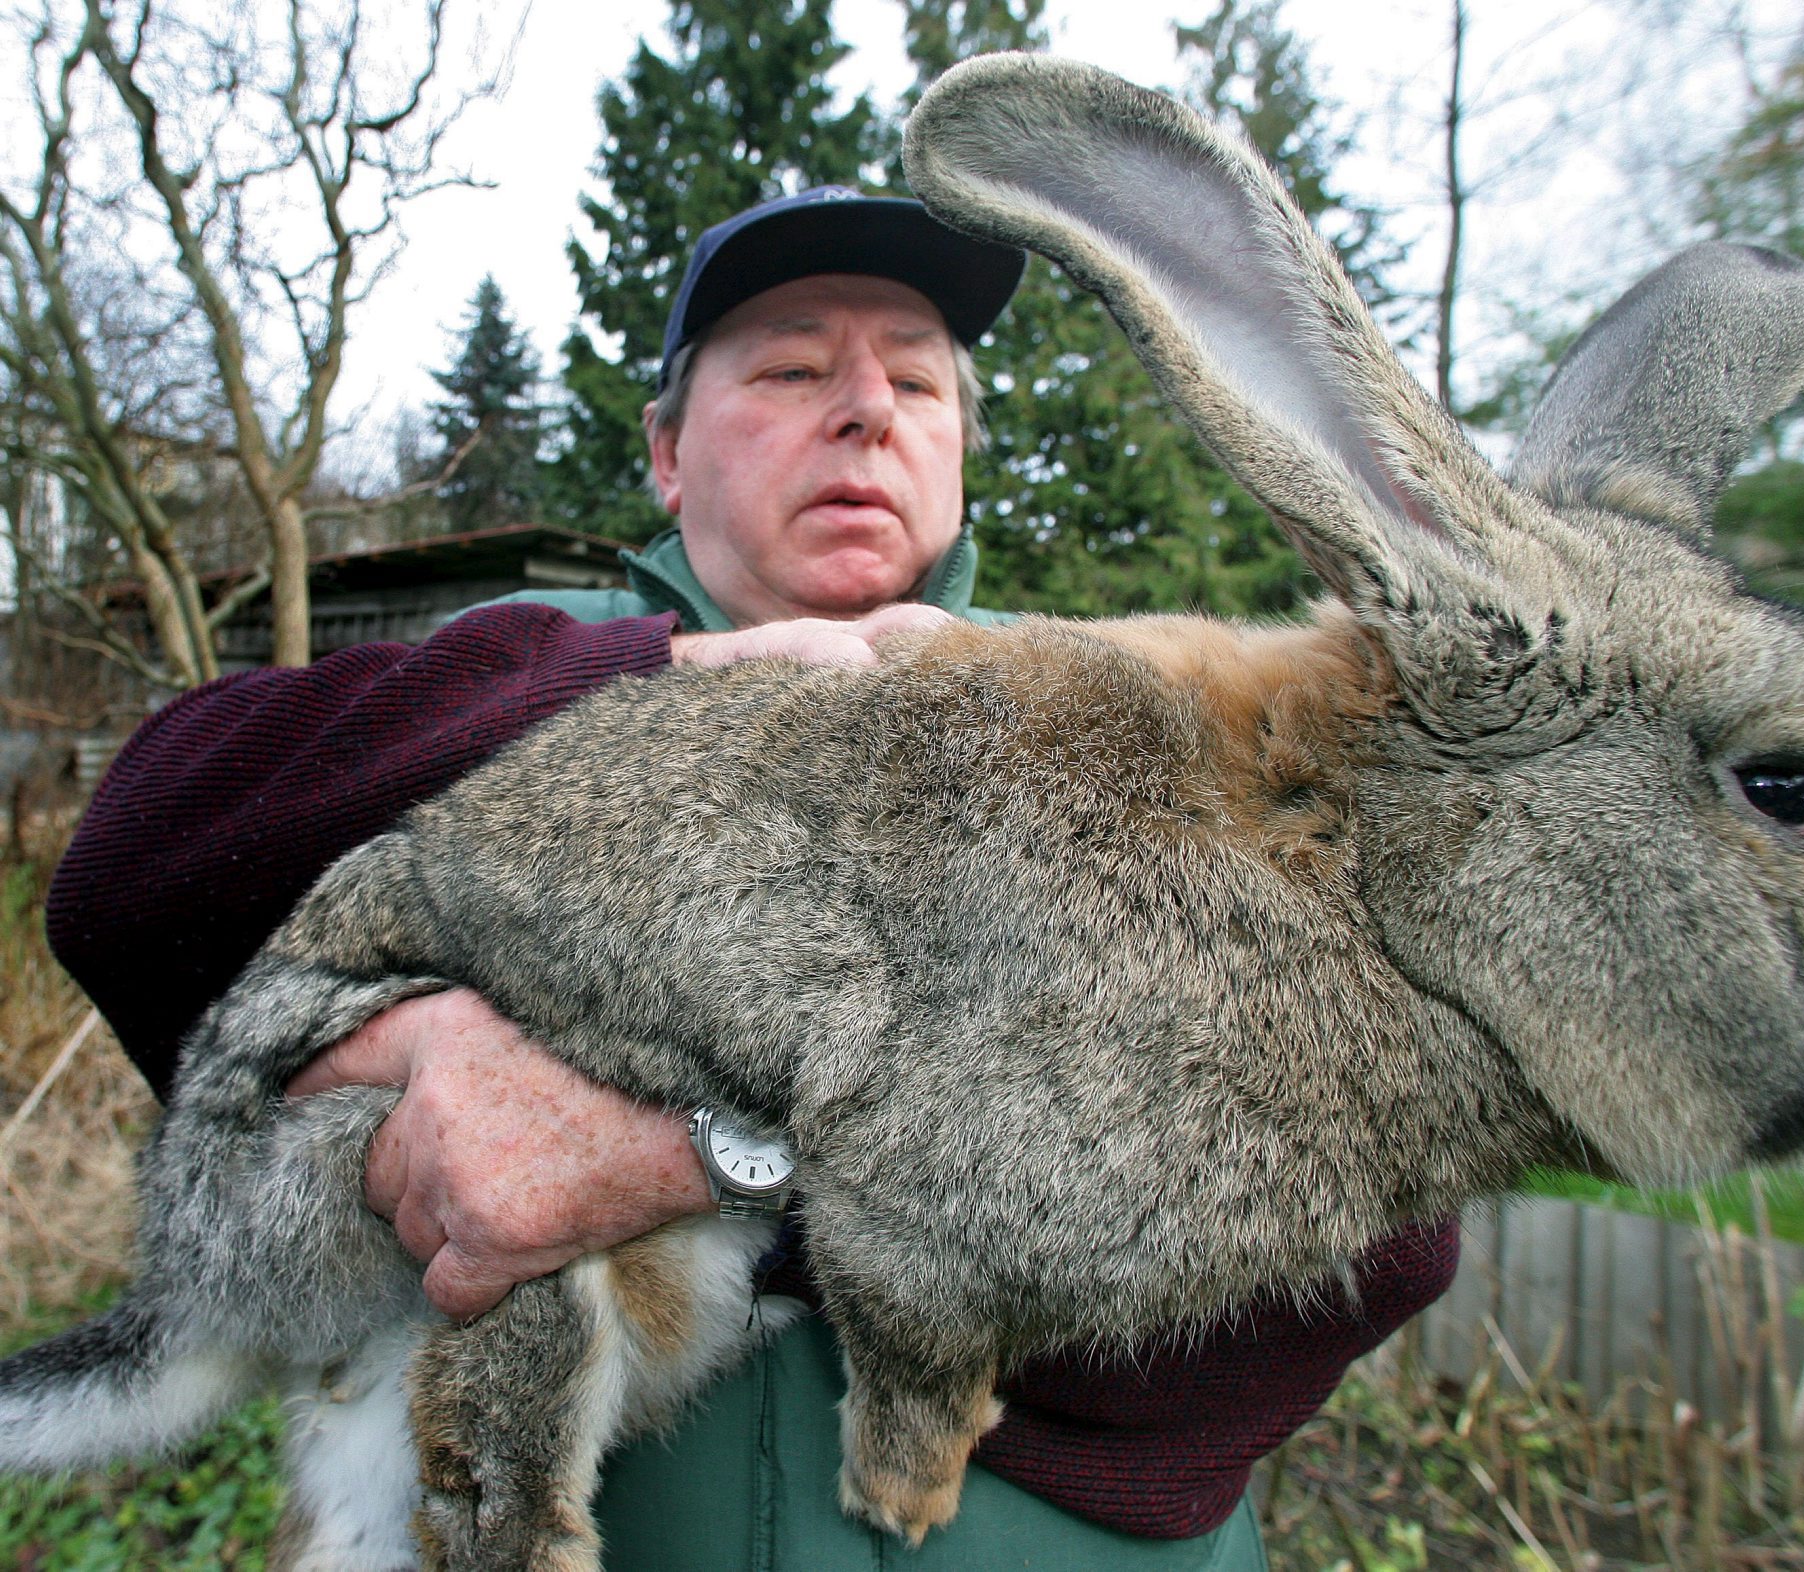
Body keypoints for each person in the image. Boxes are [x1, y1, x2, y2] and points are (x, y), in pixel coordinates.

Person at [46, 187, 1460, 1568]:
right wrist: (668, 679)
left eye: (918, 381)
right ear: (666, 453)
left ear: (962, 445)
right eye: (791, 367)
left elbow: (1370, 1229)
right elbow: (140, 865)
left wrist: (701, 1178)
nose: (866, 410)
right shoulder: (518, 671)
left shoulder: (1130, 713)